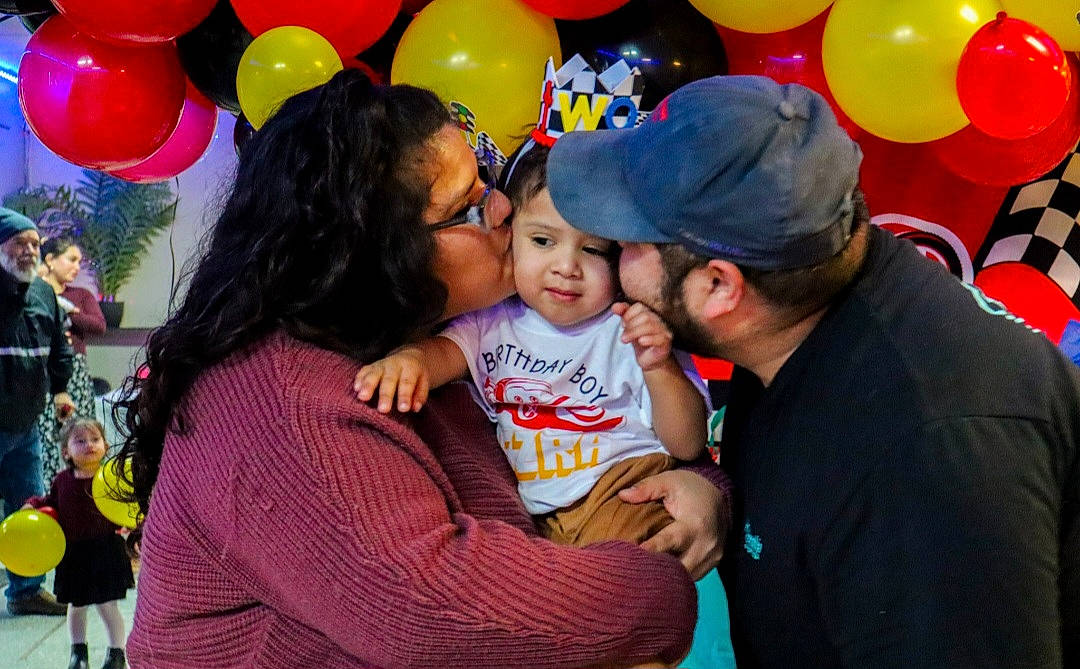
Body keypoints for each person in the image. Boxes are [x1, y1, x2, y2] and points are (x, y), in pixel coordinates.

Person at [113, 69, 730, 669]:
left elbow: (621, 438)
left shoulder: (431, 342)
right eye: (468, 208)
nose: (503, 210)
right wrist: (662, 582)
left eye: (488, 179)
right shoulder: (276, 402)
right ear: (377, 250)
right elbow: (429, 609)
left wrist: (702, 489)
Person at [545, 75, 1079, 668]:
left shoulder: (928, 465)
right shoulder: (803, 296)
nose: (611, 250)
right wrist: (722, 496)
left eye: (629, 241)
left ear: (718, 287)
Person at [355, 140, 708, 548]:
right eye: (542, 241)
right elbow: (444, 355)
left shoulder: (630, 329)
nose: (566, 267)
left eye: (593, 250)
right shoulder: (492, 318)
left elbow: (687, 443)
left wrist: (659, 367)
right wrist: (410, 362)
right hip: (540, 517)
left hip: (623, 488)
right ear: (511, 237)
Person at [0, 208, 75, 616]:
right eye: (20, 243)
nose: (30, 250)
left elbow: (59, 348)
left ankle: (26, 590)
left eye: (35, 243)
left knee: (28, 506)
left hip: (26, 425)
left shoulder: (44, 293)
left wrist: (60, 389)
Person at [25, 416, 133, 669]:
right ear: (66, 452)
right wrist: (32, 504)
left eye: (95, 439)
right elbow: (50, 502)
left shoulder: (110, 478)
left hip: (106, 550)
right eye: (80, 441)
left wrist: (131, 524)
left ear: (105, 446)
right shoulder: (62, 480)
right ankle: (78, 653)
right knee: (76, 606)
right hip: (74, 554)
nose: (89, 445)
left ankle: (117, 653)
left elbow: (127, 505)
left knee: (108, 606)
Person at [38, 237, 108, 485]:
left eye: (79, 261)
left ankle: (84, 490)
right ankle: (48, 493)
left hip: (75, 372)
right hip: (44, 372)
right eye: (71, 259)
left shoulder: (80, 295)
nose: (77, 267)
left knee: (82, 432)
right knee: (45, 437)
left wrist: (68, 310)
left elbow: (99, 325)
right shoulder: (36, 293)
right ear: (50, 260)